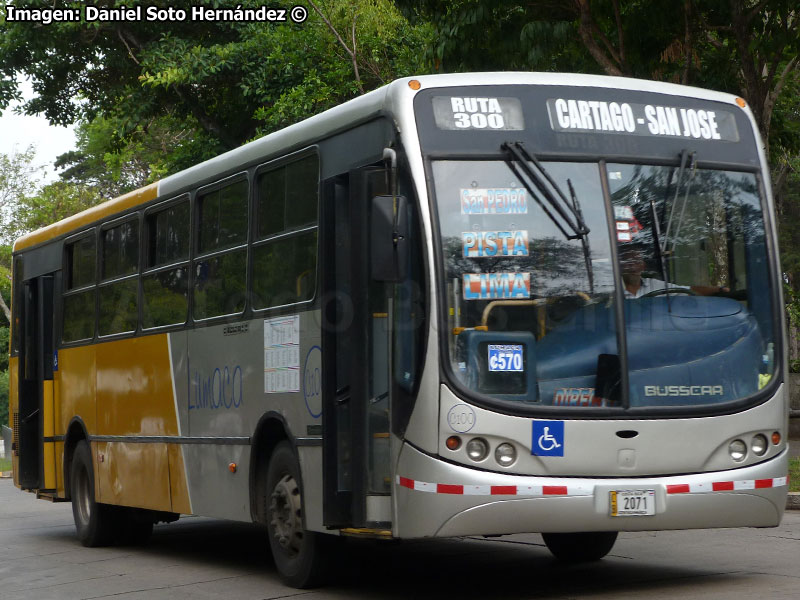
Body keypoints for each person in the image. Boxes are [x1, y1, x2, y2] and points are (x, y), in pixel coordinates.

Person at [619, 245, 728, 299]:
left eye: (636, 262)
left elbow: (688, 290)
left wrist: (718, 289)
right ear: (620, 266)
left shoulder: (654, 285)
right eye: (628, 262)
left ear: (643, 266)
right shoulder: (611, 288)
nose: (633, 267)